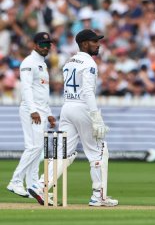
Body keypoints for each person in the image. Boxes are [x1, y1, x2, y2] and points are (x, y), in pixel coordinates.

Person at [28, 29, 118, 207]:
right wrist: (96, 116)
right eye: (94, 41)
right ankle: (98, 196)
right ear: (84, 44)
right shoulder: (89, 64)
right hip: (83, 108)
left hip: (67, 107)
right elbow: (87, 92)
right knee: (98, 151)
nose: (98, 44)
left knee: (64, 153)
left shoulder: (69, 62)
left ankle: (40, 186)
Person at [7, 32, 56, 198]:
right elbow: (26, 88)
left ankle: (33, 186)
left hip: (41, 110)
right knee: (34, 147)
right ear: (35, 45)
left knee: (37, 148)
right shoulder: (28, 62)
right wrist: (33, 110)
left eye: (48, 44)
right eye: (42, 44)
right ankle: (15, 181)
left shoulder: (42, 63)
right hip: (31, 110)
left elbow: (41, 92)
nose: (46, 47)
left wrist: (48, 113)